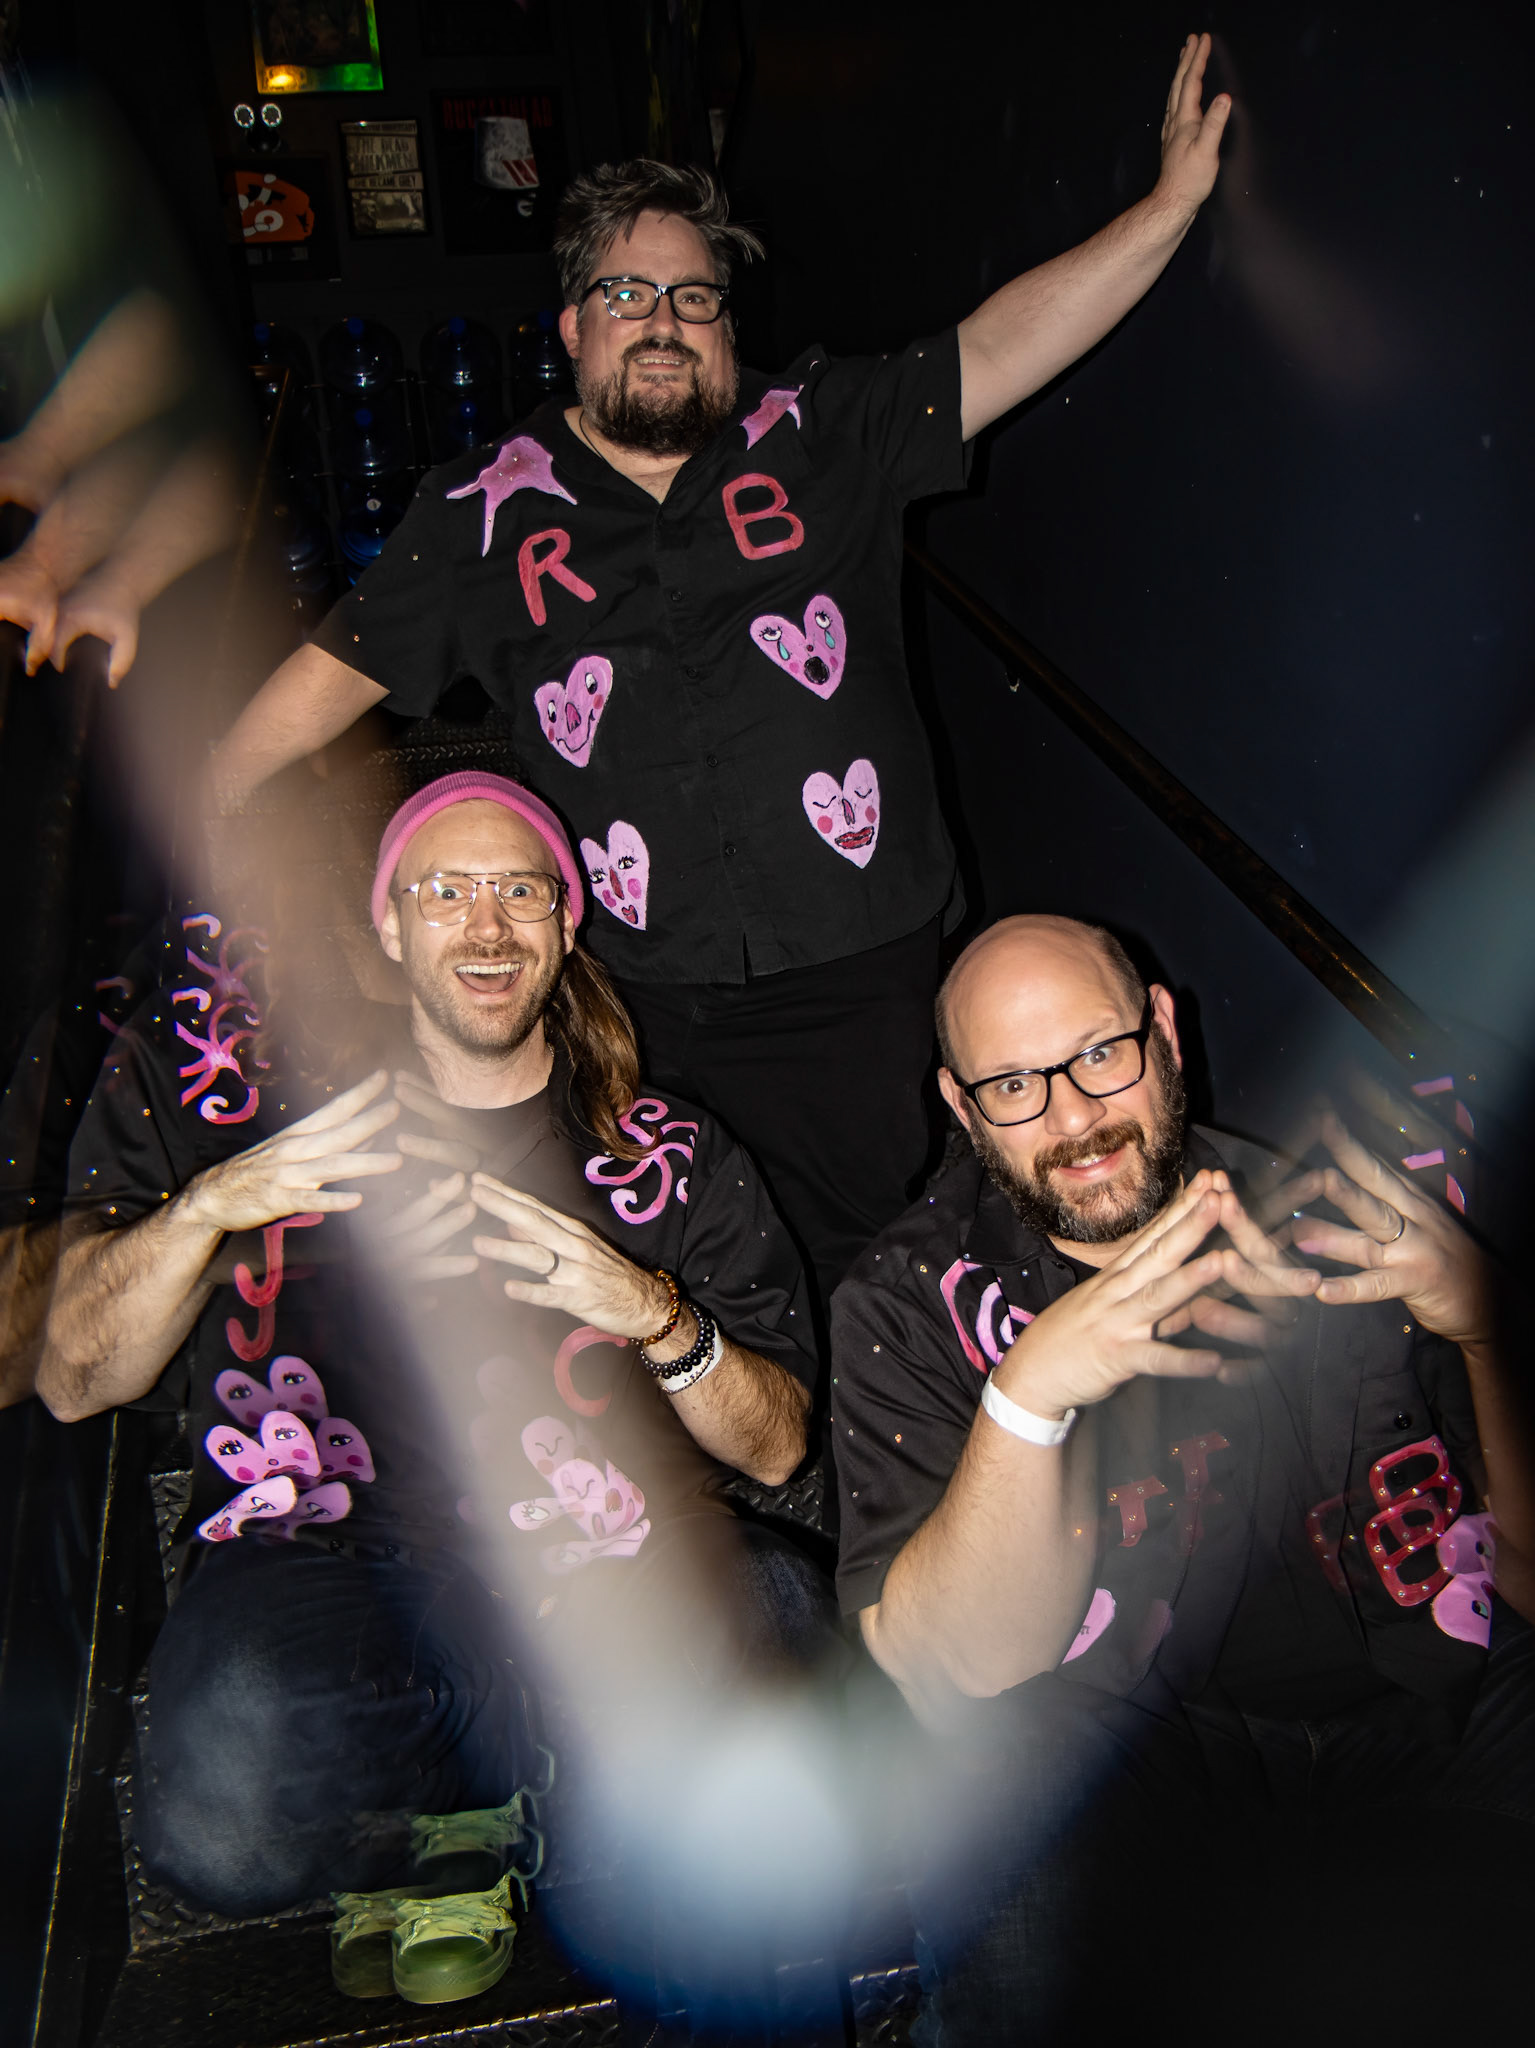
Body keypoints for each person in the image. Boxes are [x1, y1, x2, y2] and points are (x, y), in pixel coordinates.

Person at [204, 38, 1231, 1296]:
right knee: (695, 1271)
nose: (663, 322)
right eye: (628, 295)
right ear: (572, 325)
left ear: (727, 331)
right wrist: (233, 826)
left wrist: (1167, 206)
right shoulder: (476, 516)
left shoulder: (822, 430)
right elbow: (314, 690)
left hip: (864, 959)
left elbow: (1004, 343)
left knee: (888, 1266)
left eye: (694, 299)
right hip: (643, 990)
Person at [39, 770, 835, 2009]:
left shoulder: (663, 1153)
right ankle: (528, 1797)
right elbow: (75, 1380)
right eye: (446, 890)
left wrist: (656, 1313)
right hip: (342, 1570)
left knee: (774, 1606)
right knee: (214, 1809)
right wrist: (207, 1209)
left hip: (616, 1571)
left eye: (520, 889)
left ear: (566, 924)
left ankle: (530, 1811)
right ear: (389, 925)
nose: (487, 924)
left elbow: (779, 1449)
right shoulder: (285, 1135)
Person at [831, 914, 1535, 2041]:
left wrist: (1486, 1327)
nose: (1072, 1117)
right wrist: (1026, 1398)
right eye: (1012, 1085)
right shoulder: (911, 1299)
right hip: (1134, 1747)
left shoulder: (1339, 1218)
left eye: (1097, 1053)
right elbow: (956, 1674)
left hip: (1423, 1711)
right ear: (960, 1108)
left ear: (1161, 1030)